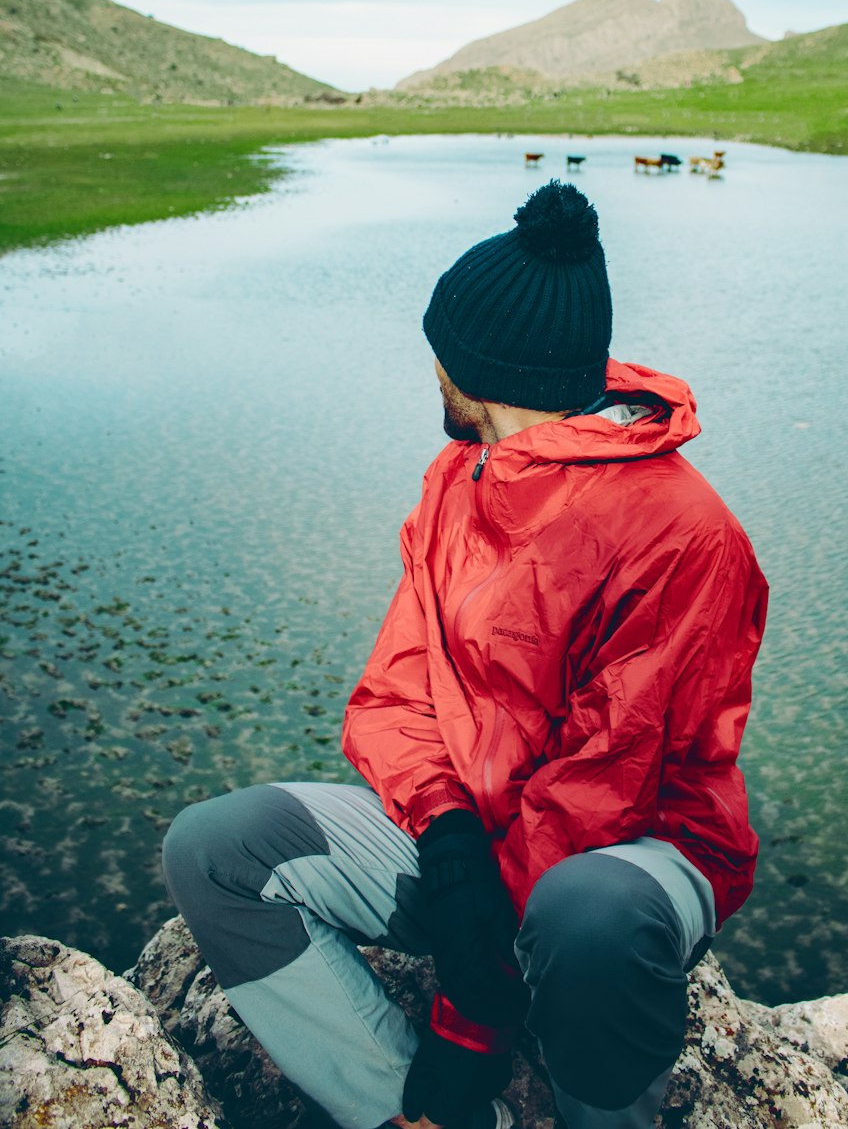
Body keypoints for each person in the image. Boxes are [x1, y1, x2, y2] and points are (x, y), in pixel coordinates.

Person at [163, 180, 768, 1129]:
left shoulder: (683, 532)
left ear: (480, 371)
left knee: (585, 917)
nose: (432, 374)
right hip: (478, 838)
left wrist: (470, 1012)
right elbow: (400, 690)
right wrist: (445, 838)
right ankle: (404, 1106)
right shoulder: (457, 480)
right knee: (214, 849)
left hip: (638, 853)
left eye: (440, 357)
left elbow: (611, 780)